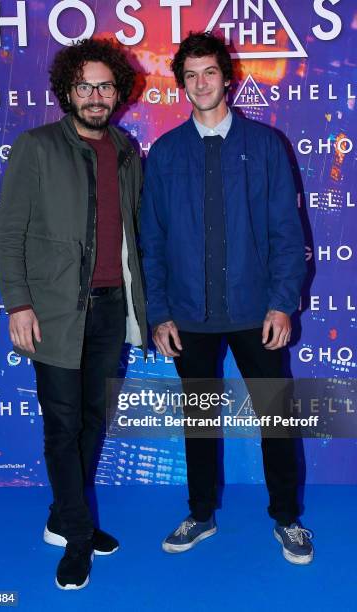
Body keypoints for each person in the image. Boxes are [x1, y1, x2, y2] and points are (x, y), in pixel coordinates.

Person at [140, 31, 313, 565]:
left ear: (227, 76)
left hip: (258, 312)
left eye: (209, 72)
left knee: (277, 419)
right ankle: (201, 513)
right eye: (190, 76)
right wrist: (160, 311)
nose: (200, 83)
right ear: (181, 85)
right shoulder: (166, 153)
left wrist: (283, 303)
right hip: (190, 313)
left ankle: (287, 519)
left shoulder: (265, 146)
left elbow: (288, 232)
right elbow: (153, 239)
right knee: (199, 421)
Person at [0, 38, 147, 590]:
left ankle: (65, 516)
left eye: (105, 86)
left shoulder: (127, 151)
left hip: (110, 311)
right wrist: (19, 303)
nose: (96, 95)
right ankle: (77, 540)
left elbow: (133, 235)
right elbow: (9, 234)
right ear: (66, 90)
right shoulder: (35, 147)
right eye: (85, 85)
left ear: (118, 93)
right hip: (56, 312)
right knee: (62, 427)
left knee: (90, 421)